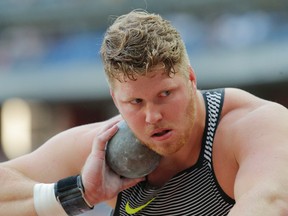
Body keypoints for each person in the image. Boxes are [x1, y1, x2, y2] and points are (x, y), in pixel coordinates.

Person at [1, 9, 288, 216]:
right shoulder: (103, 150)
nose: (152, 116)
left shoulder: (255, 125)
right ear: (116, 100)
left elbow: (270, 204)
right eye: (136, 102)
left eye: (165, 94)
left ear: (190, 79)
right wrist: (79, 193)